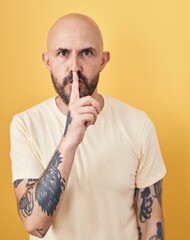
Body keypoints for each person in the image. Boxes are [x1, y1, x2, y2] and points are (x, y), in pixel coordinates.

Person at [10, 13, 166, 240]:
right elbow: (35, 224)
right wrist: (69, 140)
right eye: (63, 53)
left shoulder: (138, 124)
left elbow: (151, 224)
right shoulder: (25, 125)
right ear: (48, 61)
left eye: (86, 53)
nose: (74, 67)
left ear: (103, 60)